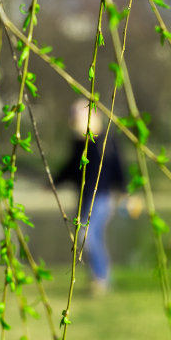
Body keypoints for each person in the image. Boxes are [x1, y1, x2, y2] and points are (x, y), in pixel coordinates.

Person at [54, 100, 128, 294]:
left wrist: (124, 192)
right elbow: (71, 168)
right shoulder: (79, 144)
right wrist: (54, 182)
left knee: (87, 235)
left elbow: (118, 167)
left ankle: (101, 277)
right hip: (85, 198)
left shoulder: (106, 142)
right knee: (90, 236)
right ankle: (99, 276)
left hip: (102, 198)